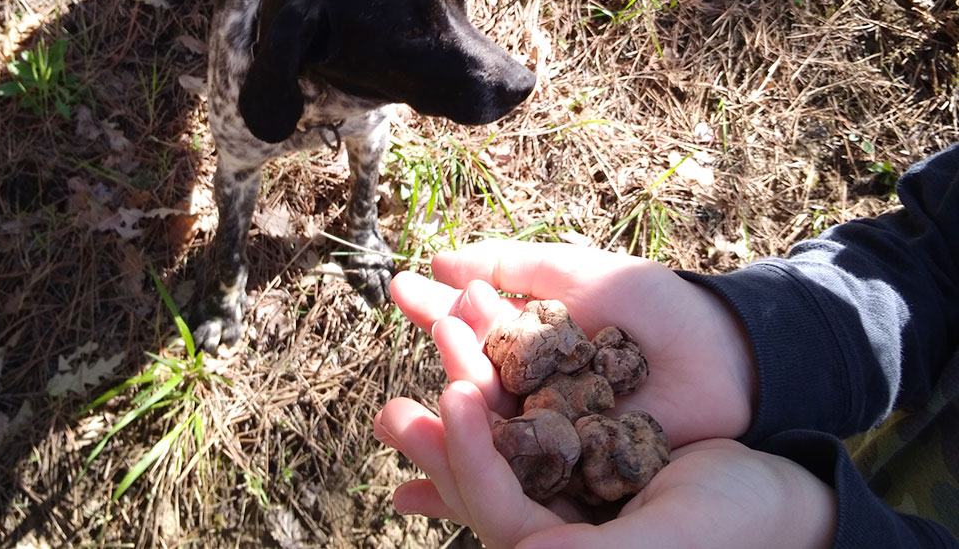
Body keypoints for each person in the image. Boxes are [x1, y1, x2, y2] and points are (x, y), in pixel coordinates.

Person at [373, 142, 959, 547]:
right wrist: (750, 343)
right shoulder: (578, 383)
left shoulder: (585, 402)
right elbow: (933, 258)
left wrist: (806, 531)